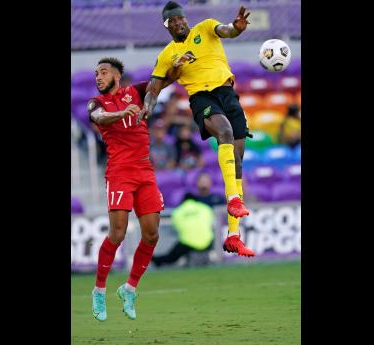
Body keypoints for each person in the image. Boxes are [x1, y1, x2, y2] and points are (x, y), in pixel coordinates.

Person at [139, 1, 254, 256]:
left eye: (180, 18)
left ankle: (234, 236)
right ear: (166, 26)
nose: (178, 23)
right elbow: (154, 87)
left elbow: (226, 30)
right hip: (202, 97)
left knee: (237, 159)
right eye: (172, 21)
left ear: (185, 18)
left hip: (226, 92)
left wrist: (237, 28)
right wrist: (148, 105)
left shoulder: (205, 27)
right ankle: (234, 200)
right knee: (223, 132)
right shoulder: (168, 54)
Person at [86, 57, 169, 322]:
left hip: (145, 171)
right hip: (120, 172)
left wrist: (178, 62)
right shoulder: (97, 103)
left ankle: (129, 288)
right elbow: (97, 117)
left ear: (117, 75)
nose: (98, 77)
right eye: (96, 73)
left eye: (104, 72)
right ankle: (99, 290)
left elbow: (164, 80)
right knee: (118, 233)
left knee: (152, 233)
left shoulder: (136, 91)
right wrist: (120, 113)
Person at [151, 193, 214, 267]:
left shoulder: (178, 211)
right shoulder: (205, 208)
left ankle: (155, 260)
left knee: (172, 257)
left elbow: (177, 228)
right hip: (208, 243)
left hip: (187, 244)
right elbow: (210, 223)